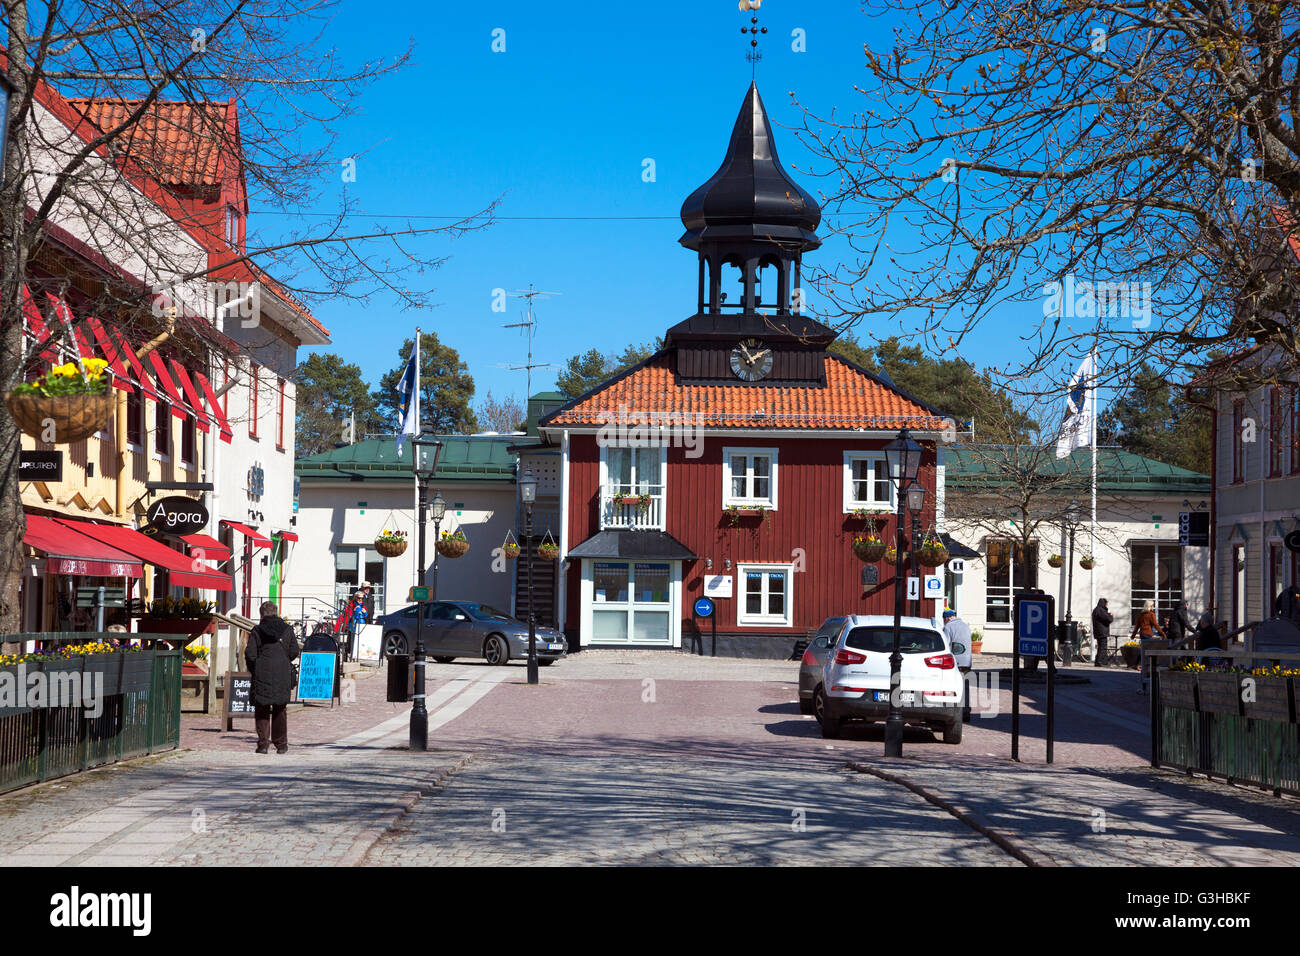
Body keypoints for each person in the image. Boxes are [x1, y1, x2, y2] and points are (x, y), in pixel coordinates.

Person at [245, 600, 300, 754]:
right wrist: (283, 660)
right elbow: (294, 651)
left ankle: (263, 745)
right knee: (280, 708)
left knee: (262, 707)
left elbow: (250, 654)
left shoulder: (257, 630)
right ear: (275, 612)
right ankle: (281, 744)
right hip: (282, 672)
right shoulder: (287, 629)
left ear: (261, 614)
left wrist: (255, 668)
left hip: (262, 672)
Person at [1129, 599, 1167, 694]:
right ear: (1150, 606)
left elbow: (1137, 625)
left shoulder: (1141, 614)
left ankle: (1137, 663)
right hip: (1148, 634)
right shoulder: (1151, 614)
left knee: (1142, 650)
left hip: (1142, 634)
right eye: (1153, 605)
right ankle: (1144, 664)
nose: (1153, 607)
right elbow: (1156, 625)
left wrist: (1133, 635)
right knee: (1147, 654)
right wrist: (1163, 634)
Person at [943, 609, 973, 722]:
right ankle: (966, 711)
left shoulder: (948, 627)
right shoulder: (966, 626)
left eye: (944, 619)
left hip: (956, 662)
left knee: (953, 687)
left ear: (947, 618)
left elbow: (946, 644)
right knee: (965, 687)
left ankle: (954, 712)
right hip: (967, 662)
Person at [1091, 598, 1113, 667]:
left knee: (1101, 647)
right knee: (1102, 647)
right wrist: (1110, 615)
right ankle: (1100, 662)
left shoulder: (1096, 610)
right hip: (1102, 632)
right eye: (1106, 604)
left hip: (1099, 631)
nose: (1107, 605)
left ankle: (1101, 661)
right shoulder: (1100, 610)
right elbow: (1108, 619)